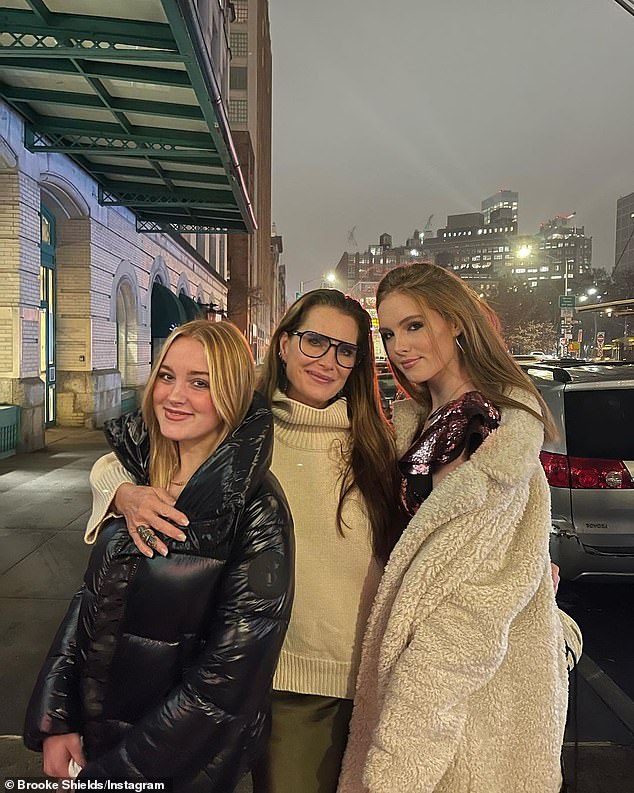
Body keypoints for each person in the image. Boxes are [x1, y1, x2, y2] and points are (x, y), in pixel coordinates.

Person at [80, 291, 407, 793]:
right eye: (314, 341)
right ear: (283, 344)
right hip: (226, 666)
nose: (328, 360)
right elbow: (134, 454)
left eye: (346, 350)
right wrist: (122, 492)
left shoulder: (379, 440)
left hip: (329, 675)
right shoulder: (243, 424)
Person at [23, 320, 294, 792]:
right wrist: (57, 718)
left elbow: (225, 683)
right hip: (95, 738)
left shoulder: (257, 510)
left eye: (200, 382)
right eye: (166, 376)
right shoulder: (139, 477)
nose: (174, 395)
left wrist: (117, 775)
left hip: (178, 765)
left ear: (231, 394)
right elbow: (89, 603)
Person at [337, 262, 571, 793]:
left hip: (462, 703)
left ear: (457, 322)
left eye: (414, 325)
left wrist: (401, 758)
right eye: (389, 332)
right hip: (410, 664)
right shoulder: (420, 420)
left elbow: (471, 611)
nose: (399, 345)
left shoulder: (487, 427)